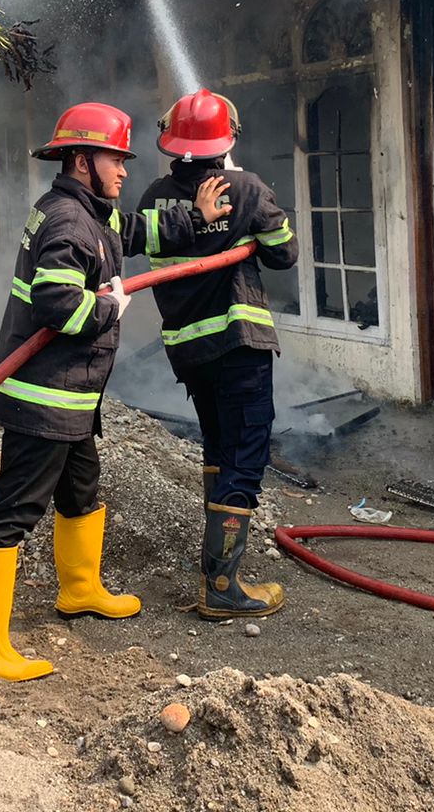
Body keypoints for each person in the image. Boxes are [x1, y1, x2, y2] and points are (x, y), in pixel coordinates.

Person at [0, 102, 232, 682]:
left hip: (72, 396)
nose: (125, 170)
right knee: (13, 513)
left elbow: (133, 231)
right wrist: (111, 306)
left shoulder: (87, 212)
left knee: (80, 492)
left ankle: (80, 590)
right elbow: (58, 306)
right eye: (116, 159)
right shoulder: (69, 223)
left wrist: (196, 217)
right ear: (83, 160)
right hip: (45, 399)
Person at [136, 89, 299, 619]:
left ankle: (215, 565)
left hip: (188, 350)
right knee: (246, 456)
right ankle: (223, 585)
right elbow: (284, 254)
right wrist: (249, 217)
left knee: (219, 448)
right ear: (226, 139)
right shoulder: (246, 188)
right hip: (238, 344)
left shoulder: (153, 198)